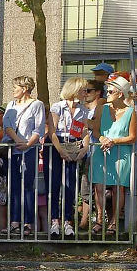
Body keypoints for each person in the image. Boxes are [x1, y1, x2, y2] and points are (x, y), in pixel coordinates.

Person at [44, 77, 94, 237]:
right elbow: (52, 131)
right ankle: (54, 221)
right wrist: (60, 150)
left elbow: (85, 131)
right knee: (54, 184)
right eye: (83, 90)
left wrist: (85, 148)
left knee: (70, 185)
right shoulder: (58, 106)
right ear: (74, 90)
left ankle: (68, 221)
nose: (86, 93)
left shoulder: (83, 110)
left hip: (73, 145)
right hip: (56, 146)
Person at [89, 77, 137, 237]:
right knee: (99, 187)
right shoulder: (101, 109)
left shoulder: (130, 112)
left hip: (120, 153)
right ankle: (99, 219)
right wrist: (103, 138)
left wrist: (114, 140)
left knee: (118, 188)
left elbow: (132, 137)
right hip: (101, 151)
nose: (107, 93)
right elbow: (95, 131)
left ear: (121, 94)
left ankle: (114, 221)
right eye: (107, 90)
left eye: (111, 91)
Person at [0, 76, 47, 236]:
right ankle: (14, 222)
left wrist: (28, 144)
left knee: (28, 185)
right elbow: (7, 126)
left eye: (15, 87)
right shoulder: (11, 105)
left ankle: (28, 222)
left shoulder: (37, 105)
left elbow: (38, 128)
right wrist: (18, 140)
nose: (13, 90)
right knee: (13, 185)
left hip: (30, 149)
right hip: (13, 149)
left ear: (25, 88)